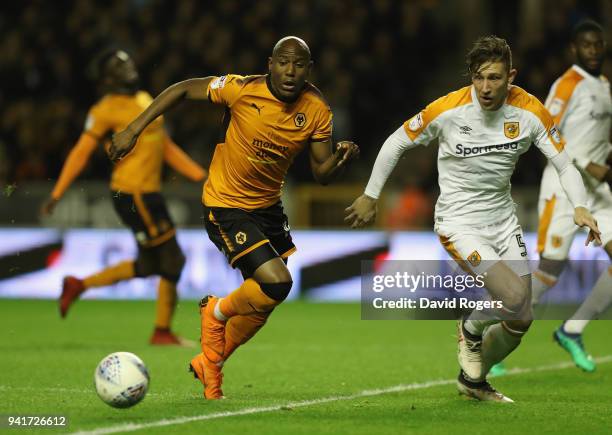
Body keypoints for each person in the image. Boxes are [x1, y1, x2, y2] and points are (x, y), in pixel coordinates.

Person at [345, 35, 601, 402]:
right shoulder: (448, 110)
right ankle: (470, 328)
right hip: (458, 223)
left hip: (503, 221)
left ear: (510, 76)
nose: (485, 87)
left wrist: (579, 205)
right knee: (513, 296)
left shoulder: (530, 111)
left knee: (522, 316)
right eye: (479, 77)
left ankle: (472, 381)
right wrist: (371, 195)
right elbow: (396, 141)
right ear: (470, 76)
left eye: (495, 78)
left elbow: (563, 162)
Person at [109, 36, 360, 399]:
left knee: (267, 299)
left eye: (299, 64)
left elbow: (321, 172)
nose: (291, 71)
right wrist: (133, 129)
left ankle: (209, 363)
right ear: (270, 63)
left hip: (268, 209)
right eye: (284, 62)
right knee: (277, 283)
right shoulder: (241, 89)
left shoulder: (317, 109)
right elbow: (181, 90)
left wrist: (338, 160)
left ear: (309, 69)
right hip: (225, 205)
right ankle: (216, 311)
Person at [41, 49, 207, 346]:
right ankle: (162, 331)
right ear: (107, 78)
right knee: (173, 259)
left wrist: (200, 176)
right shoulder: (104, 110)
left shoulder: (145, 98)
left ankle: (79, 285)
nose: (129, 65)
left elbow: (164, 145)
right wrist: (57, 193)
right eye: (119, 65)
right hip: (133, 193)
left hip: (148, 193)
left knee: (148, 265)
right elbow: (81, 153)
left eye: (128, 60)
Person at [530, 19, 612, 372]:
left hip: (598, 192)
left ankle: (572, 330)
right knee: (549, 271)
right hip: (564, 188)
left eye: (598, 44)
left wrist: (603, 160)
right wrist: (583, 162)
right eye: (586, 45)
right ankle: (487, 328)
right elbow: (545, 131)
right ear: (574, 49)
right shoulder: (567, 84)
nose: (593, 50)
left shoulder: (605, 85)